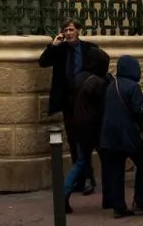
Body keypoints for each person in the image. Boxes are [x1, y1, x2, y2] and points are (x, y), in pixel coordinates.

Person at [41, 20, 100, 196]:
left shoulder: (89, 48)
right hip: (68, 101)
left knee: (87, 139)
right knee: (73, 139)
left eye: (71, 30)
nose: (68, 33)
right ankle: (81, 180)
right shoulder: (59, 49)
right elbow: (43, 62)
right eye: (65, 30)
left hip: (87, 101)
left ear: (79, 31)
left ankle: (89, 178)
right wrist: (53, 45)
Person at [99, 55, 143, 217]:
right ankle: (139, 201)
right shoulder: (133, 87)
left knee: (117, 170)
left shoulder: (112, 85)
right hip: (130, 136)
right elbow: (139, 112)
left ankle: (119, 206)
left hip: (110, 136)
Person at [65, 45, 113, 211]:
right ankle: (109, 199)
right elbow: (104, 107)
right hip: (96, 128)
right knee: (108, 162)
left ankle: (63, 194)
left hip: (78, 126)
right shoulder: (99, 83)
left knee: (80, 162)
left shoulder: (79, 78)